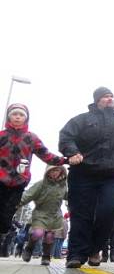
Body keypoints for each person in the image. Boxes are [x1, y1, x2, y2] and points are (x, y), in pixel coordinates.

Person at [59, 88, 114, 269]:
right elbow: (66, 137)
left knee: (108, 212)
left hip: (113, 176)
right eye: (106, 96)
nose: (110, 98)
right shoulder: (81, 120)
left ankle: (94, 249)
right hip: (83, 174)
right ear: (97, 100)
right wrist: (72, 153)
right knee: (81, 214)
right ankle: (76, 254)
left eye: (112, 95)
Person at [0, 104, 68, 249]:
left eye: (21, 115)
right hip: (1, 179)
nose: (17, 117)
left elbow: (46, 155)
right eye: (14, 114)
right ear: (9, 117)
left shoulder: (31, 138)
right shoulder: (2, 136)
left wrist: (64, 160)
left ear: (26, 118)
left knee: (6, 217)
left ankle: (3, 233)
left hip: (18, 183)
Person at [19, 165, 67, 266]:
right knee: (38, 233)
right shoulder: (41, 184)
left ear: (61, 172)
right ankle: (29, 248)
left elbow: (70, 196)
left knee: (50, 236)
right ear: (47, 172)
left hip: (55, 215)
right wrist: (16, 204)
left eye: (57, 170)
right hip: (41, 213)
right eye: (52, 170)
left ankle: (46, 256)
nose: (54, 172)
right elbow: (28, 195)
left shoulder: (63, 185)